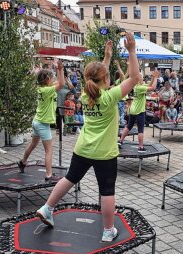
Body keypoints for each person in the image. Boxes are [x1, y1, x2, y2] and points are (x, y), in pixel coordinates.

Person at [35, 33, 140, 242]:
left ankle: (47, 208)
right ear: (107, 79)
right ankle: (108, 231)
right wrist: (131, 50)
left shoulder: (85, 94)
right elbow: (135, 78)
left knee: (69, 178)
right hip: (104, 152)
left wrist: (107, 57)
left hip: (82, 148)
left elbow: (97, 76)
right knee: (107, 191)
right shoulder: (110, 97)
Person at [17, 61, 65, 180]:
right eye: (51, 77)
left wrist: (58, 70)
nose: (53, 79)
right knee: (49, 150)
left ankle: (23, 162)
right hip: (43, 124)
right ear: (47, 79)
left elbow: (58, 83)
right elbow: (61, 84)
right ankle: (49, 174)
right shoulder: (47, 91)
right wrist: (61, 69)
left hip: (37, 121)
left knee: (33, 144)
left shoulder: (42, 88)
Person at [119, 69, 159, 152]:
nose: (143, 79)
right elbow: (153, 88)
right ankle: (140, 147)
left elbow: (150, 85)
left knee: (129, 126)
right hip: (139, 111)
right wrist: (155, 78)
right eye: (142, 77)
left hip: (133, 110)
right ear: (139, 79)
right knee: (140, 129)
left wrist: (153, 77)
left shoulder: (137, 86)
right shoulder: (140, 87)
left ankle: (120, 141)